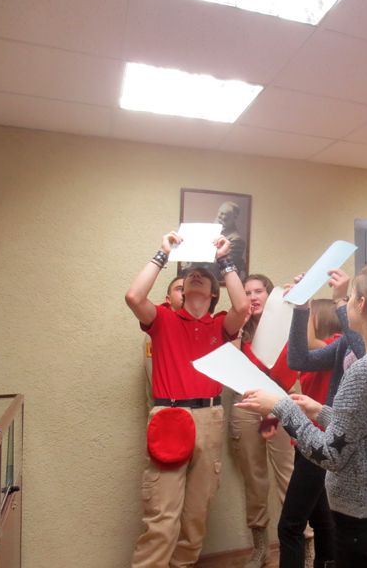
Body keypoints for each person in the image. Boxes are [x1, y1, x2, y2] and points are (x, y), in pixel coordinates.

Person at [240, 263, 367, 568]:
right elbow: (361, 426)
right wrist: (320, 411)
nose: (343, 304)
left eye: (349, 297)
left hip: (363, 520)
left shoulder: (365, 369)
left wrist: (282, 406)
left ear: (362, 305)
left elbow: (330, 454)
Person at [125, 232, 248, 568]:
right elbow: (134, 296)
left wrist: (224, 260)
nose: (195, 275)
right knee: (162, 518)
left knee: (195, 517)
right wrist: (163, 253)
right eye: (188, 276)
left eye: (202, 276)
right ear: (177, 292)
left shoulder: (220, 325)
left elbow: (242, 307)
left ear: (213, 293)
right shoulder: (162, 319)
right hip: (169, 417)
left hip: (209, 418)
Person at [229, 274, 300, 568]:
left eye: (259, 291)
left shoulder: (287, 323)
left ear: (270, 296)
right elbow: (230, 367)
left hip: (279, 404)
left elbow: (297, 361)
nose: (253, 297)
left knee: (287, 475)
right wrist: (240, 326)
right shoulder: (238, 327)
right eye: (247, 293)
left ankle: (304, 546)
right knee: (255, 477)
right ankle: (260, 549)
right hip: (248, 406)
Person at [276, 298, 343, 568]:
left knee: (290, 526)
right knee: (322, 519)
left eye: (307, 316)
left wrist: (299, 305)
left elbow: (305, 342)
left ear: (317, 320)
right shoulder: (318, 353)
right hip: (307, 442)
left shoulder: (335, 345)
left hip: (319, 444)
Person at [143, 273, 185, 411]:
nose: (184, 293)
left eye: (188, 289)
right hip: (166, 407)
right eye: (179, 289)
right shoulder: (157, 327)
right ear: (168, 299)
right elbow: (153, 373)